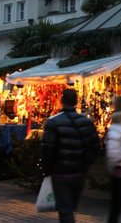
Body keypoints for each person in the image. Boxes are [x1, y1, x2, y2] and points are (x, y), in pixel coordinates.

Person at [41, 89, 100, 223]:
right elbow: (95, 146)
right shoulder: (86, 122)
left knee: (65, 210)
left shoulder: (53, 122)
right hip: (78, 172)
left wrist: (47, 170)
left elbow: (47, 149)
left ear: (62, 101)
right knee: (70, 207)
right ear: (76, 101)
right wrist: (86, 164)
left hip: (60, 172)